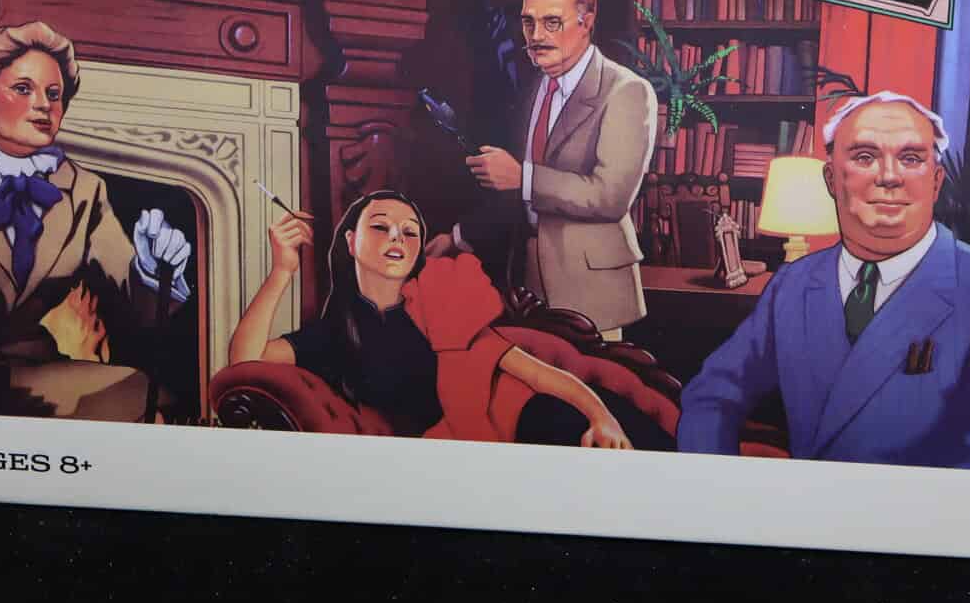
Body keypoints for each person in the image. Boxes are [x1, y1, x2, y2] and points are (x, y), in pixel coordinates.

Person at [676, 91, 970, 473]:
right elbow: (711, 395)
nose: (889, 177)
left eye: (911, 158)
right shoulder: (793, 284)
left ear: (936, 181)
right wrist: (720, 494)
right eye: (865, 156)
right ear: (831, 179)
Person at [229, 189, 672, 449]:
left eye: (410, 232)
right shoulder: (333, 336)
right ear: (349, 241)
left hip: (545, 417)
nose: (397, 237)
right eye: (380, 227)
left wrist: (601, 416)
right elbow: (242, 365)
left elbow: (538, 375)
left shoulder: (438, 302)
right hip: (506, 449)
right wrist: (282, 270)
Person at [0, 21, 193, 420]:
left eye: (54, 94)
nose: (44, 105)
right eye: (23, 89)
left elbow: (138, 307)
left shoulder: (84, 189)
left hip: (28, 370)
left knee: (150, 397)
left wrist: (152, 270)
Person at [425, 0, 657, 340]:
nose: (536, 36)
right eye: (528, 22)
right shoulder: (533, 90)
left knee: (592, 376)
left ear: (587, 22)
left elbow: (610, 197)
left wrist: (524, 177)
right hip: (527, 289)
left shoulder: (626, 91)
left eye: (552, 22)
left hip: (592, 293)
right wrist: (456, 238)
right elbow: (516, 197)